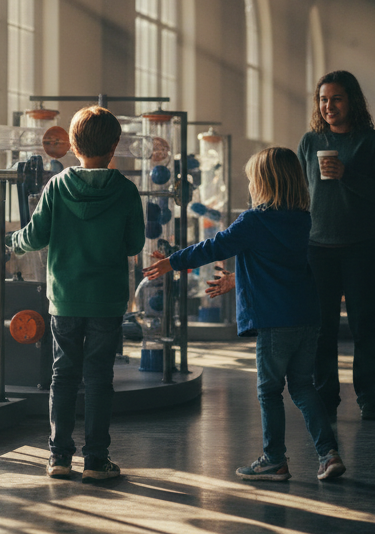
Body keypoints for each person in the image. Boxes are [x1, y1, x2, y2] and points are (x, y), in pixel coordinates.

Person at [145, 147, 345, 481]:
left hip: (274, 321)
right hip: (307, 318)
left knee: (269, 391)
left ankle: (274, 459)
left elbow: (214, 247)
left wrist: (172, 262)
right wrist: (238, 279)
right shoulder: (301, 219)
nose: (250, 186)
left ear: (264, 183)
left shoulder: (254, 220)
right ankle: (329, 453)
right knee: (302, 387)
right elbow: (280, 265)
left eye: (252, 179)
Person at [10, 106, 145, 479]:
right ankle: (97, 461)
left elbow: (35, 236)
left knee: (63, 375)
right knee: (100, 377)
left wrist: (12, 242)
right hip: (107, 300)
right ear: (115, 145)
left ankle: (59, 458)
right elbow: (135, 244)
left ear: (71, 144)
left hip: (65, 299)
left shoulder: (57, 186)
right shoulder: (126, 191)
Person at [298, 71, 375, 421]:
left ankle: (370, 397)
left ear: (352, 101)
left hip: (363, 247)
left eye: (336, 98)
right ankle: (325, 396)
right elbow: (299, 194)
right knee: (322, 328)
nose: (328, 106)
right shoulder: (310, 142)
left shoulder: (372, 141)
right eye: (323, 99)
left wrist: (347, 174)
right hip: (318, 248)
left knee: (364, 325)